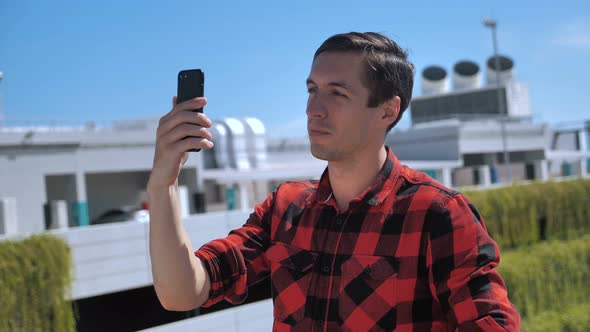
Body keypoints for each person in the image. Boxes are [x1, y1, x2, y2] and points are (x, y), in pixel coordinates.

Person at [148, 32, 521, 331]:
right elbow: (183, 292)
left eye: (337, 93)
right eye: (312, 90)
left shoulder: (437, 214)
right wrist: (162, 185)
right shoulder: (285, 208)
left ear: (388, 111)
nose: (313, 108)